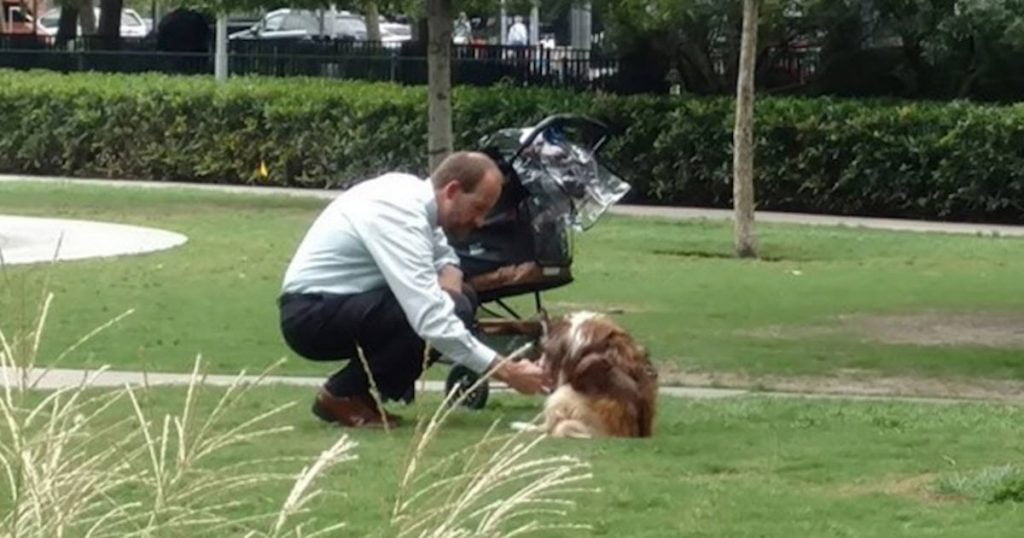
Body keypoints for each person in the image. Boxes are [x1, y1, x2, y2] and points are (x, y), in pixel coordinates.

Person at [278, 152, 549, 428]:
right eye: (478, 208)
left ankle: (356, 393)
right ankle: (340, 394)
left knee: (460, 301)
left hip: (338, 304)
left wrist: (452, 287)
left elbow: (446, 258)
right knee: (445, 312)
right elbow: (430, 319)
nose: (481, 222)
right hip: (310, 316)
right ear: (452, 191)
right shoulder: (398, 214)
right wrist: (508, 372)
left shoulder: (415, 198)